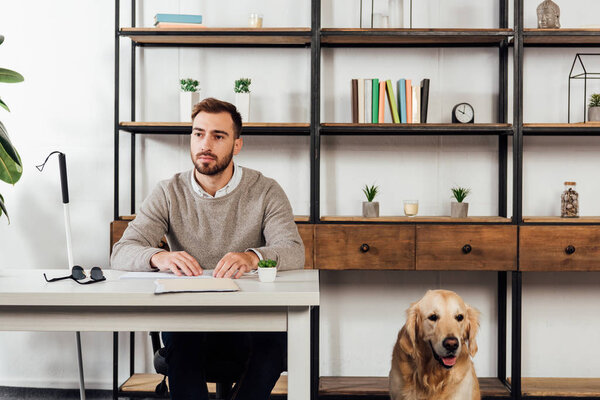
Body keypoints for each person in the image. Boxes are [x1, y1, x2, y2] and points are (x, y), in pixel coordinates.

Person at [111, 97, 305, 400]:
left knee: (275, 345)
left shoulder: (266, 190)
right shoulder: (168, 191)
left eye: (218, 136)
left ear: (237, 145)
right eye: (198, 133)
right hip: (188, 317)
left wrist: (252, 256)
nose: (205, 144)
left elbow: (293, 250)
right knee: (183, 345)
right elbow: (122, 251)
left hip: (249, 319)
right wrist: (158, 256)